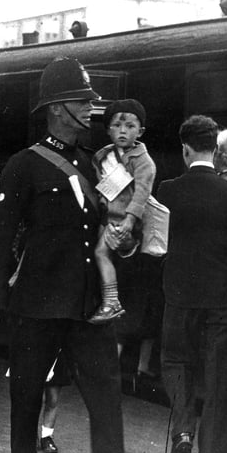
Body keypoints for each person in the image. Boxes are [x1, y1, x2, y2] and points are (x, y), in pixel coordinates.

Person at [0, 57, 127, 453]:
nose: (90, 109)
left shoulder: (97, 164)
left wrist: (124, 241)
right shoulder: (23, 165)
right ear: (57, 107)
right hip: (37, 306)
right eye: (82, 101)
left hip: (89, 307)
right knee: (25, 403)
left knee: (107, 402)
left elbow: (115, 226)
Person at [156, 115, 227, 453]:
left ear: (184, 150)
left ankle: (183, 430)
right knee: (218, 375)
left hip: (180, 298)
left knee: (175, 361)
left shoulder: (167, 190)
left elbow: (156, 245)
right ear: (215, 150)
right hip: (222, 303)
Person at [89, 99, 156, 323]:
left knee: (101, 253)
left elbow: (142, 193)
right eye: (117, 126)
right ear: (108, 129)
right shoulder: (102, 156)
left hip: (125, 222)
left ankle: (111, 302)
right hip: (106, 219)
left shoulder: (143, 161)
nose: (123, 131)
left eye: (130, 126)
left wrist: (130, 220)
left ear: (141, 131)